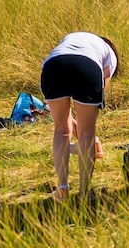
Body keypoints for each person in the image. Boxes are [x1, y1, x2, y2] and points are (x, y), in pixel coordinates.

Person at [40, 32, 116, 201]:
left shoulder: (71, 39)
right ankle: (83, 192)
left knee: (61, 131)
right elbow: (104, 83)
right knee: (87, 133)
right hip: (87, 67)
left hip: (53, 65)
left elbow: (63, 119)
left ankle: (62, 188)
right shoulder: (109, 53)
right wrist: (88, 133)